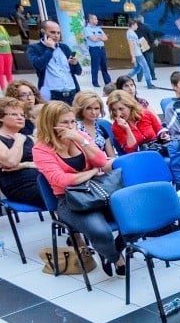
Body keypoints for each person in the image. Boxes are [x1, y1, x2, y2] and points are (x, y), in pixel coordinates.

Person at [33, 101, 125, 276]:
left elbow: (101, 162)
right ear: (50, 123)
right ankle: (114, 257)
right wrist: (91, 172)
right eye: (64, 123)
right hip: (69, 199)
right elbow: (62, 181)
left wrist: (81, 140)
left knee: (137, 217)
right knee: (100, 231)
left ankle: (111, 251)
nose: (70, 127)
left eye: (72, 122)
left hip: (97, 190)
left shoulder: (80, 136)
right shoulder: (41, 149)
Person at [0, 97, 42, 207]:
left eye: (22, 115)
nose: (20, 118)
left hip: (43, 180)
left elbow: (46, 163)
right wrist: (19, 141)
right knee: (67, 196)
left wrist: (25, 164)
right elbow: (11, 162)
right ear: (1, 117)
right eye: (14, 114)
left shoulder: (30, 139)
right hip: (20, 186)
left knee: (75, 191)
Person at [26, 20, 81, 104]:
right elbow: (38, 66)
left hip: (71, 92)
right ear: (43, 32)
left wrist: (75, 64)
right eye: (53, 32)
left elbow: (78, 72)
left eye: (58, 33)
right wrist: (49, 49)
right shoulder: (34, 48)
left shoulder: (64, 47)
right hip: (51, 94)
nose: (56, 36)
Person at [72, 91, 115, 159]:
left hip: (101, 165)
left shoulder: (101, 129)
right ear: (81, 109)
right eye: (89, 108)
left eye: (96, 108)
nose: (93, 112)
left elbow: (111, 156)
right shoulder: (74, 127)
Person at [82, 14, 111, 88]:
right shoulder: (87, 29)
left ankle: (107, 82)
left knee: (104, 66)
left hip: (102, 48)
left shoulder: (98, 28)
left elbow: (106, 38)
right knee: (95, 66)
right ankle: (95, 82)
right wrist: (100, 37)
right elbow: (93, 39)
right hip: (94, 49)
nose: (97, 20)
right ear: (91, 20)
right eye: (95, 19)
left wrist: (98, 37)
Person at [125, 19, 154, 89]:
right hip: (137, 54)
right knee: (145, 67)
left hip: (138, 52)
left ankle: (125, 79)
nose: (137, 26)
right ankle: (149, 84)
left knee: (137, 68)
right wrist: (133, 56)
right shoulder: (130, 33)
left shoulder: (131, 32)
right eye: (136, 25)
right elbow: (131, 45)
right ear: (132, 25)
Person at [134, 15, 157, 82]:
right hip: (147, 48)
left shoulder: (134, 29)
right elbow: (151, 38)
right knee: (150, 63)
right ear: (142, 20)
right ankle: (153, 76)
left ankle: (139, 78)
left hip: (138, 49)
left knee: (140, 64)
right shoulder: (146, 27)